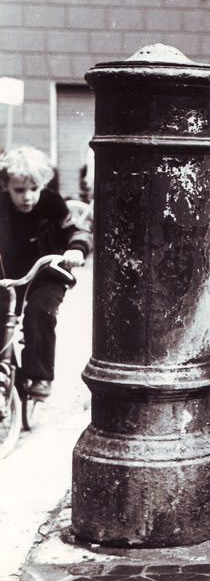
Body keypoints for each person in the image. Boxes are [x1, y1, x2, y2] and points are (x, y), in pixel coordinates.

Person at [0, 146, 93, 398]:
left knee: (39, 312)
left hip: (47, 271)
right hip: (8, 275)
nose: (28, 197)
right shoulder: (2, 206)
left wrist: (76, 249)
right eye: (19, 190)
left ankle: (40, 376)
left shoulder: (52, 202)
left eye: (34, 189)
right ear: (6, 185)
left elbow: (77, 230)